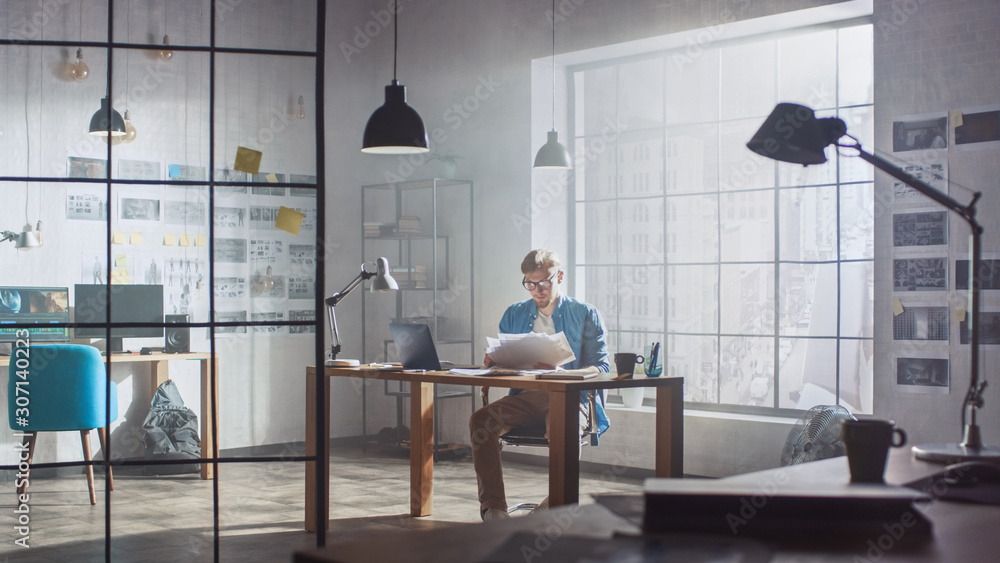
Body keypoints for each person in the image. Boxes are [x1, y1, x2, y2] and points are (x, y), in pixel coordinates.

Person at [469, 248, 610, 521]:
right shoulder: (514, 313)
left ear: (559, 276)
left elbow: (602, 367)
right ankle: (494, 509)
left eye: (543, 282)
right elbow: (506, 362)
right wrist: (494, 362)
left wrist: (564, 372)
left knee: (563, 425)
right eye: (530, 283)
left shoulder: (585, 313)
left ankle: (553, 505)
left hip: (568, 398)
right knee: (480, 422)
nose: (536, 289)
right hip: (525, 398)